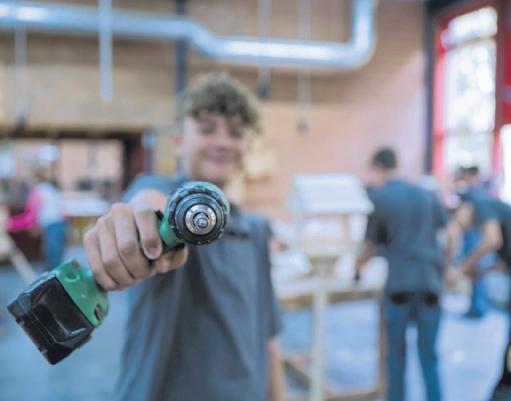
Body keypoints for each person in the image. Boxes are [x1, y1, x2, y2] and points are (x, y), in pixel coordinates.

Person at [83, 73, 285, 401]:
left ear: (247, 146)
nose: (222, 142)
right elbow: (149, 204)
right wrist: (144, 225)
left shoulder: (256, 230)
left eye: (236, 133)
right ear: (178, 141)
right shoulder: (157, 193)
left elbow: (268, 336)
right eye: (207, 129)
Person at [354, 147, 456, 401]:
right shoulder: (426, 194)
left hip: (399, 285)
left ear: (378, 168)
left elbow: (370, 246)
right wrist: (445, 269)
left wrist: (357, 269)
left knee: (396, 355)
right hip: (430, 283)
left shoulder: (381, 199)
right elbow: (452, 235)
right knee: (429, 355)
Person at [454, 191, 511, 401]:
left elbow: (492, 240)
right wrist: (481, 271)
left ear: (464, 207)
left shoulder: (481, 204)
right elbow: (503, 260)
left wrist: (464, 267)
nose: (464, 227)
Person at [8, 163, 68, 271]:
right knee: (55, 252)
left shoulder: (37, 192)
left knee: (52, 253)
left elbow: (31, 217)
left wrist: (11, 224)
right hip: (60, 223)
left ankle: (53, 276)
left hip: (53, 224)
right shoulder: (50, 189)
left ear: (35, 180)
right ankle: (56, 274)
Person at [455, 165, 495, 318]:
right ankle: (478, 306)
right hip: (480, 236)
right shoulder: (484, 191)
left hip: (476, 237)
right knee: (478, 273)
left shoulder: (472, 192)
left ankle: (477, 308)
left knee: (475, 271)